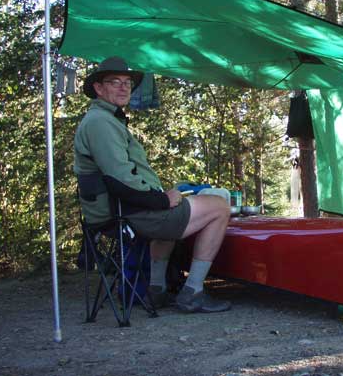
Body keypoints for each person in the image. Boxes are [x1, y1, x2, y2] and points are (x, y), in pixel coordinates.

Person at [74, 56, 231, 313]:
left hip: (123, 209)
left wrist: (163, 195)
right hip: (124, 213)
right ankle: (193, 291)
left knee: (177, 196)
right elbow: (119, 180)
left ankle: (156, 289)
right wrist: (161, 200)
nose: (124, 87)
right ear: (98, 89)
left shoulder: (107, 119)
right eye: (115, 82)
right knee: (220, 206)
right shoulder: (100, 122)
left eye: (127, 82)